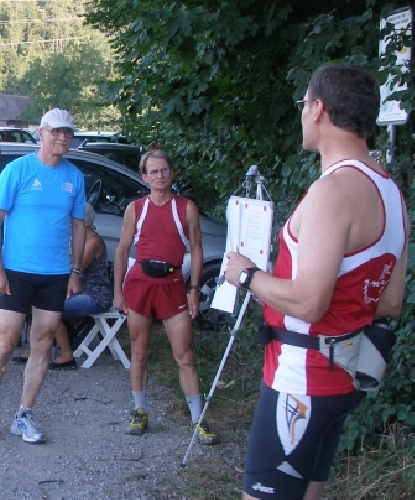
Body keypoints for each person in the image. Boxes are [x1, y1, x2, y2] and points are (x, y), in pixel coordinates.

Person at [223, 64, 408, 500]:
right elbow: (391, 301)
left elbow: (308, 302)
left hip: (302, 378)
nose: (302, 114)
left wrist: (246, 275)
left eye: (303, 104)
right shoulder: (390, 190)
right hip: (344, 374)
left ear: (318, 108)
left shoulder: (334, 190)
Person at [0, 109, 86, 447]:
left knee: (43, 343)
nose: (63, 138)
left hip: (56, 272)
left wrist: (75, 270)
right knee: (5, 342)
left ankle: (23, 416)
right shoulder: (17, 170)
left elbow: (78, 226)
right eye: (57, 132)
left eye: (68, 134)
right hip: (17, 270)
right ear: (42, 133)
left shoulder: (74, 176)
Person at [111, 148, 217, 445]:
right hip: (140, 284)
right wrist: (117, 290)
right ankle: (140, 410)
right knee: (140, 351)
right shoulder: (136, 208)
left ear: (171, 172)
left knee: (184, 355)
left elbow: (197, 250)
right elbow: (122, 249)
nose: (160, 176)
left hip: (172, 284)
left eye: (164, 170)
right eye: (153, 172)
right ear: (144, 177)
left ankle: (198, 419)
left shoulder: (186, 207)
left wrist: (194, 289)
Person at [11, 205, 113, 369]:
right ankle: (38, 348)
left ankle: (66, 354)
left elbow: (75, 268)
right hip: (78, 291)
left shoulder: (93, 242)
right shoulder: (77, 239)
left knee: (50, 308)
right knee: (39, 301)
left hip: (95, 296)